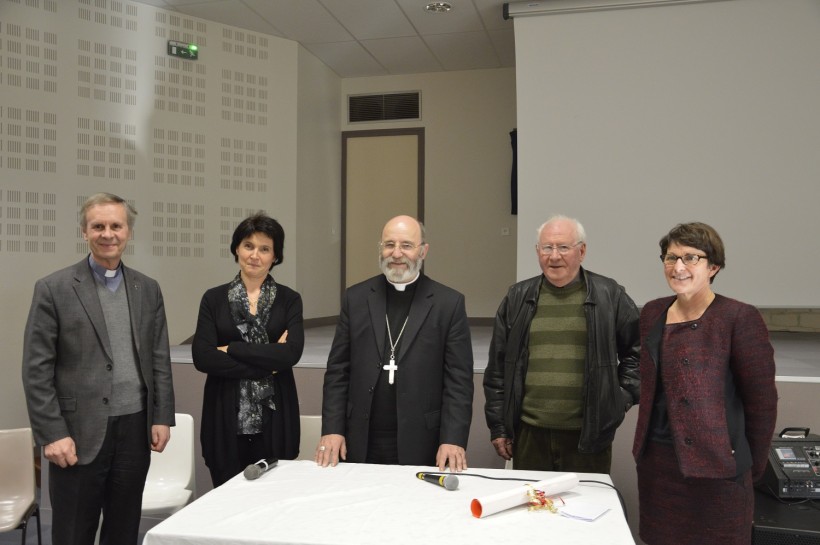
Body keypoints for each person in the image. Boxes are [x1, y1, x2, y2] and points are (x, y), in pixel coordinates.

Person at [22, 192, 175, 545]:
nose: (108, 234)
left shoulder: (147, 289)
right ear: (84, 231)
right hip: (77, 433)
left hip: (134, 431)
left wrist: (162, 415)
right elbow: (36, 369)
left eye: (116, 226)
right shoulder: (54, 288)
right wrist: (51, 433)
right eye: (98, 226)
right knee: (73, 533)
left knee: (123, 530)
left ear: (128, 232)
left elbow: (158, 358)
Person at [632, 222, 777, 545]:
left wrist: (747, 465)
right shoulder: (653, 313)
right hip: (658, 466)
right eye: (670, 258)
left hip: (718, 473)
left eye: (690, 257)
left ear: (714, 266)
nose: (678, 267)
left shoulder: (738, 318)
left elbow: (762, 404)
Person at [484, 214, 640, 473]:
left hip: (588, 438)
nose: (554, 256)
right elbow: (498, 370)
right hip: (528, 437)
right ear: (537, 251)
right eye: (547, 247)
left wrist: (616, 401)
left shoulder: (610, 295)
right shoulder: (517, 298)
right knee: (531, 510)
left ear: (582, 251)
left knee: (585, 510)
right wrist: (499, 427)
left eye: (563, 247)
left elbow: (638, 356)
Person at [316, 215, 474, 471]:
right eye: (389, 245)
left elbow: (459, 381)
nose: (397, 253)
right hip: (359, 438)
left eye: (407, 245)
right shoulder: (356, 298)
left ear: (423, 251)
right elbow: (337, 372)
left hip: (423, 441)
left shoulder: (448, 303)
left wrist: (452, 439)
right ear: (380, 249)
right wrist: (332, 429)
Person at [193, 213, 304, 487]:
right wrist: (269, 361)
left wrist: (231, 347)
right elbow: (203, 357)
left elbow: (290, 354)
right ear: (236, 249)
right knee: (225, 502)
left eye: (265, 249)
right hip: (224, 419)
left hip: (276, 420)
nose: (255, 255)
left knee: (274, 505)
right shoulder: (213, 299)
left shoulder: (289, 300)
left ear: (275, 256)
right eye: (248, 246)